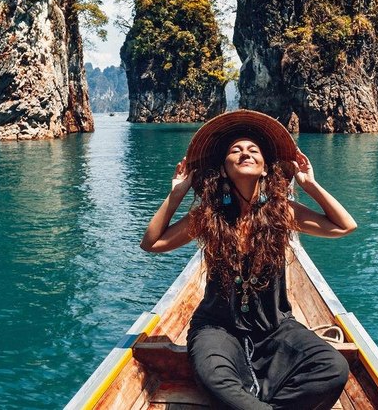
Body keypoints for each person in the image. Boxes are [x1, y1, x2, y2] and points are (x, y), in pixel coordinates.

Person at [140, 110, 358, 409]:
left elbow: (345, 226)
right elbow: (152, 243)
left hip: (276, 327)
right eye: (236, 150)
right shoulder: (208, 215)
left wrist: (309, 186)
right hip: (217, 328)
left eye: (253, 150)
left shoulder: (284, 212)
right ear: (225, 169)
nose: (245, 153)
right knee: (214, 376)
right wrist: (176, 194)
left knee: (333, 367)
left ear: (266, 169)